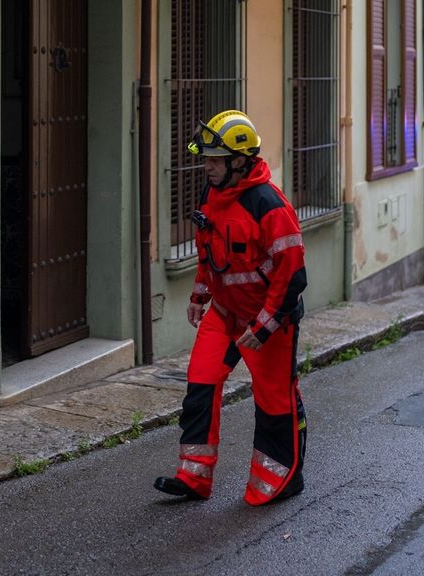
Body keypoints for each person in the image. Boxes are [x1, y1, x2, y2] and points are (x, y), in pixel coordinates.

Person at [153, 110, 308, 506]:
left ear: (240, 161)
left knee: (275, 402)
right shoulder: (213, 195)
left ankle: (280, 480)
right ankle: (193, 478)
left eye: (214, 159)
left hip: (267, 323)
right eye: (206, 158)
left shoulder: (269, 206)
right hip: (224, 314)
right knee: (200, 386)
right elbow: (210, 255)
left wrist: (264, 327)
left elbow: (291, 276)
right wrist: (198, 295)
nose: (206, 166)